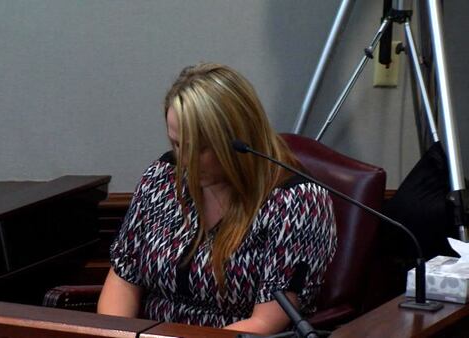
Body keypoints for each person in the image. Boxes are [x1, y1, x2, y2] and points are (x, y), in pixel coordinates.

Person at [98, 63, 337, 335]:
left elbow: (266, 323)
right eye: (176, 144)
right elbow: (124, 278)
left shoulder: (296, 201)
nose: (184, 161)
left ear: (238, 141)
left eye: (198, 149)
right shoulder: (163, 177)